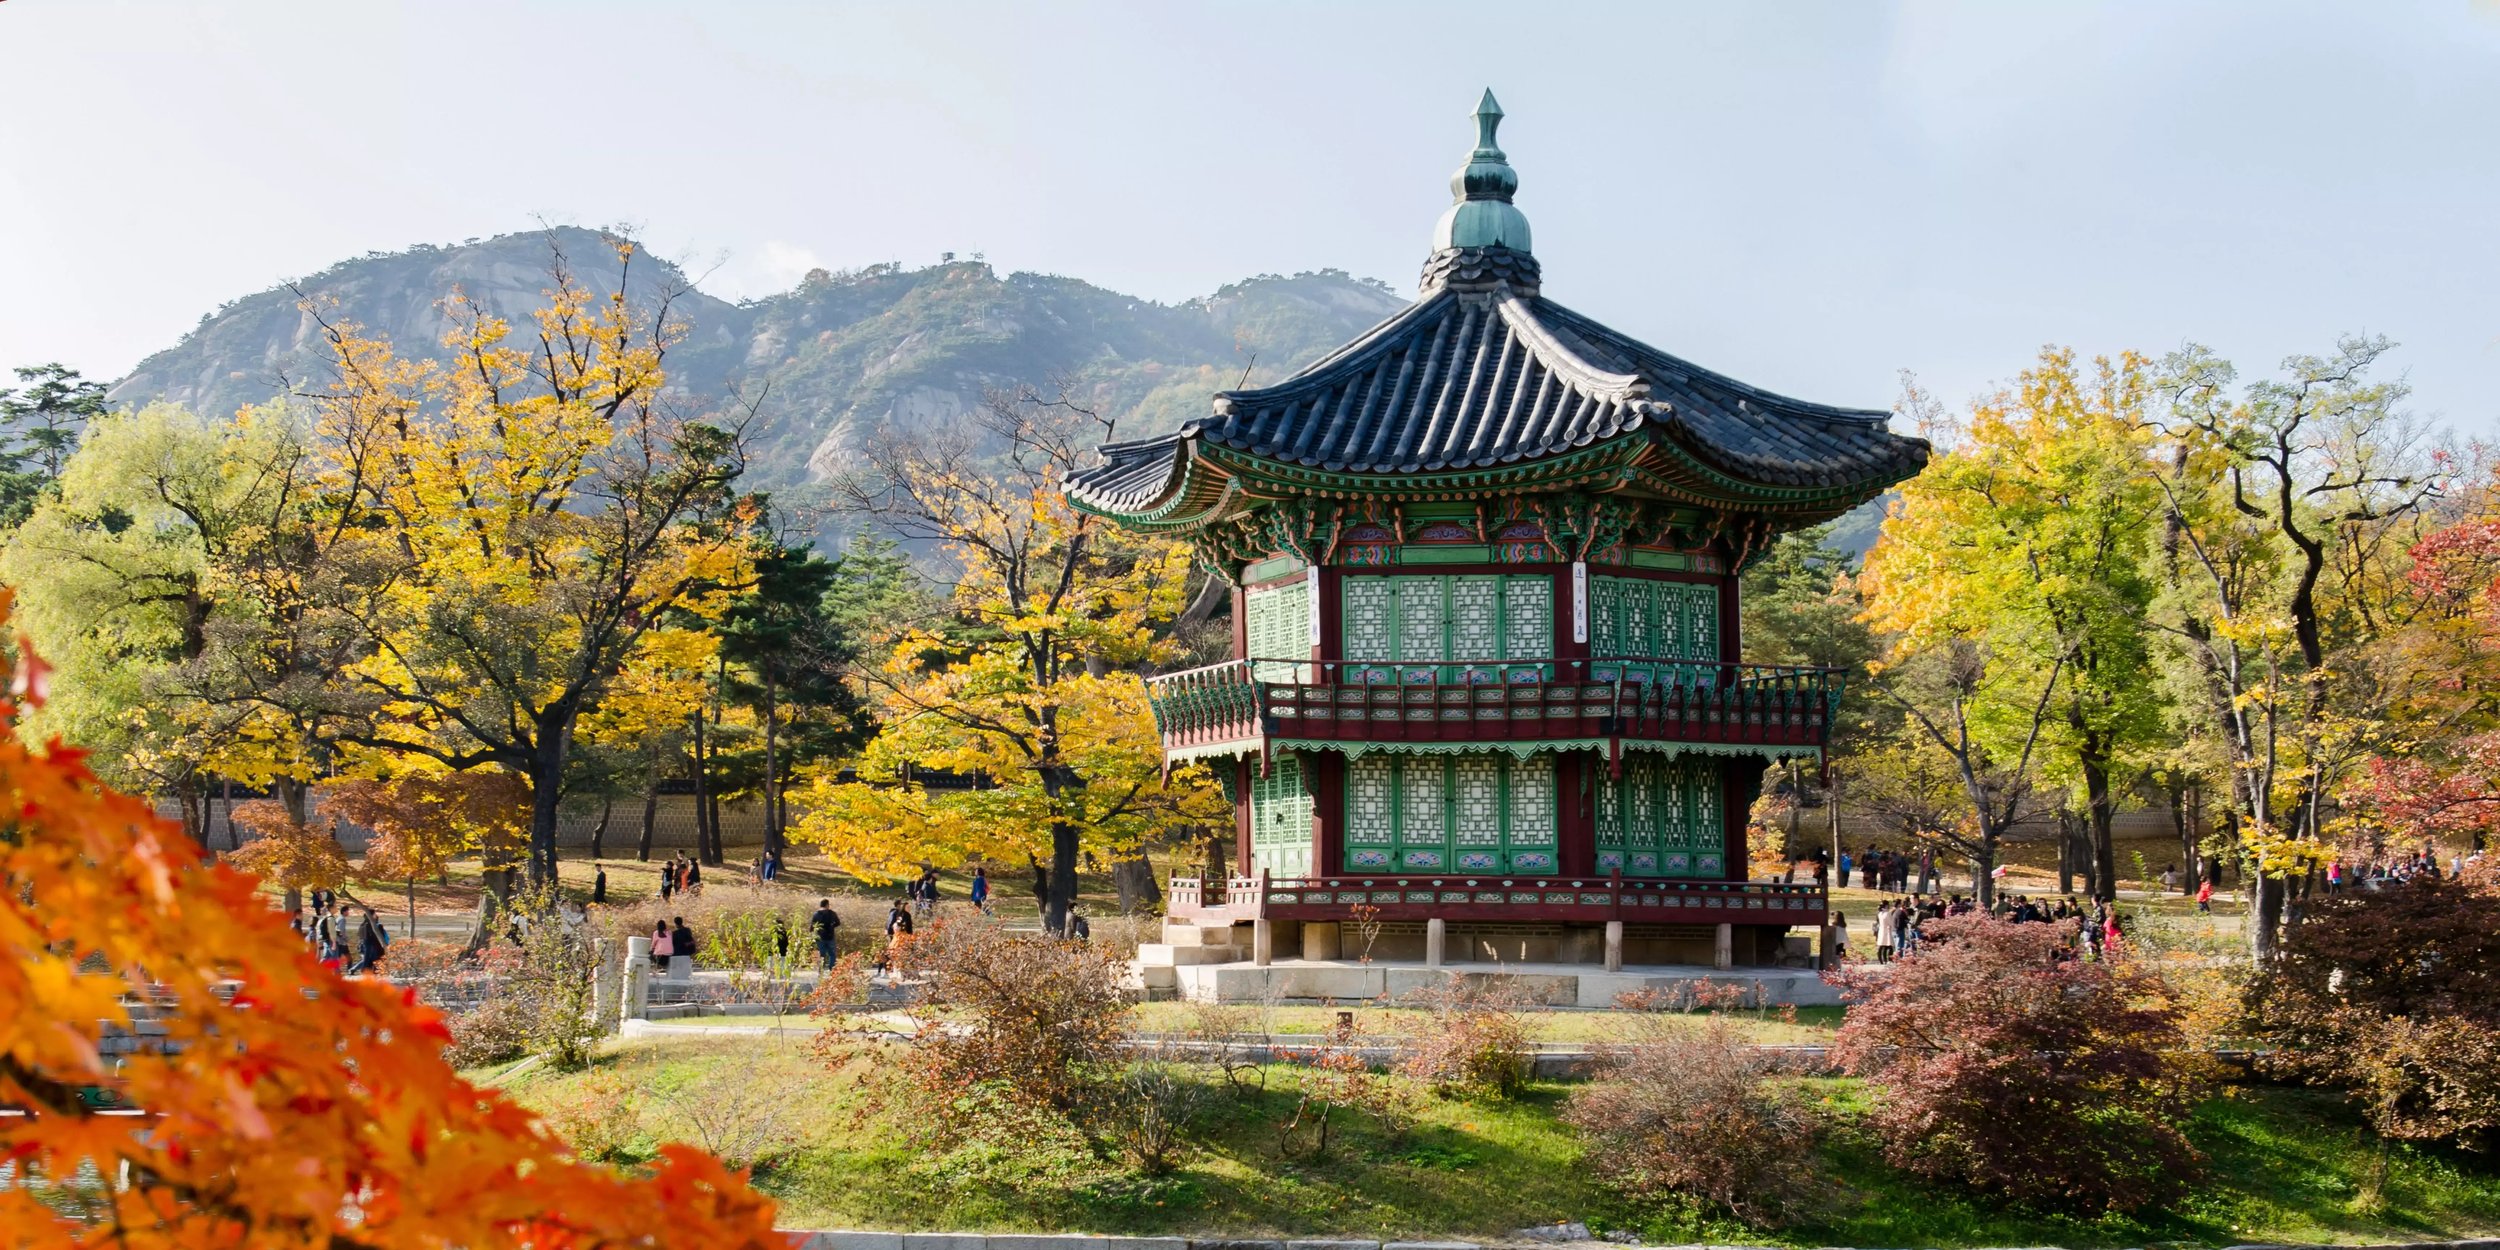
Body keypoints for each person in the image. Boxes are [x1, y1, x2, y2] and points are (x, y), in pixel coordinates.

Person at [346, 907, 387, 976]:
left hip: (364, 947)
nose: (376, 915)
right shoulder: (373, 925)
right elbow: (377, 937)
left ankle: (356, 970)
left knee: (366, 961)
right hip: (373, 948)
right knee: (372, 961)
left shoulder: (363, 925)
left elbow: (360, 936)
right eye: (374, 914)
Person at [810, 897, 843, 969]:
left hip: (820, 936)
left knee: (822, 954)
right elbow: (838, 923)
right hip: (830, 936)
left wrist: (812, 934)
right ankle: (831, 968)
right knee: (832, 954)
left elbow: (812, 926)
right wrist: (832, 926)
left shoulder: (816, 914)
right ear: (827, 905)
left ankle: (821, 968)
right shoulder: (832, 913)